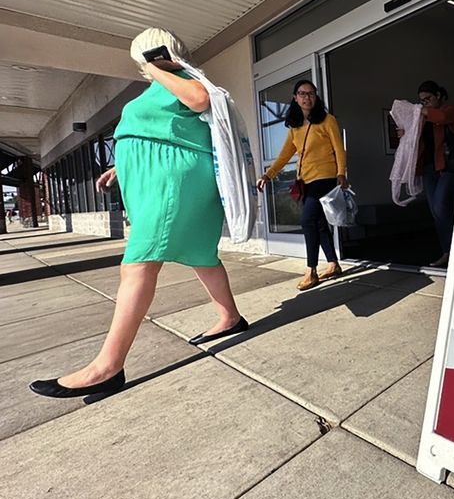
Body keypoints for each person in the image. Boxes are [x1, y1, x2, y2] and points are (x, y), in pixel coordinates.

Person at [30, 28, 247, 399]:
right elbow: (156, 131)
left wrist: (160, 66)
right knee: (201, 254)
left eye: (143, 57)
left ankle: (107, 367)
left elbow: (199, 101)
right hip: (159, 179)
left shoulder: (180, 78)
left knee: (139, 262)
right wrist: (121, 167)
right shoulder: (160, 87)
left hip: (173, 182)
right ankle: (230, 317)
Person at [257, 80, 347, 291]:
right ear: (295, 98)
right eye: (302, 93)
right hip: (305, 180)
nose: (307, 97)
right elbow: (284, 155)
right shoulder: (295, 128)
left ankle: (311, 270)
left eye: (311, 94)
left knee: (307, 220)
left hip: (324, 177)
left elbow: (339, 148)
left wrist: (341, 173)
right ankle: (333, 264)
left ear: (316, 98)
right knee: (319, 223)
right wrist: (268, 175)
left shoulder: (327, 120)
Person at [399, 80, 454, 268]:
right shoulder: (422, 118)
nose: (424, 103)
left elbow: (442, 118)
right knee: (437, 212)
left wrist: (417, 111)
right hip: (429, 170)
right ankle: (448, 252)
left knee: (442, 208)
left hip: (447, 168)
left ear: (438, 96)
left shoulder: (449, 110)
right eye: (421, 100)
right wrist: (405, 134)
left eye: (428, 98)